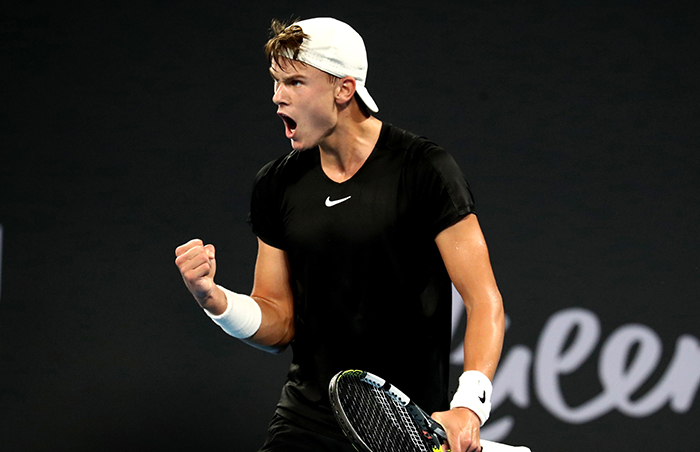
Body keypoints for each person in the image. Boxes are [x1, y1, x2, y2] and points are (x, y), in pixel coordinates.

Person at [175, 17, 505, 452]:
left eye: (294, 82)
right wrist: (214, 300)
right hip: (305, 421)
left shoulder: (424, 169)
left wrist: (469, 407)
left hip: (406, 430)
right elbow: (278, 320)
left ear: (344, 89)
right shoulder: (276, 185)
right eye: (276, 82)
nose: (277, 98)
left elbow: (484, 301)